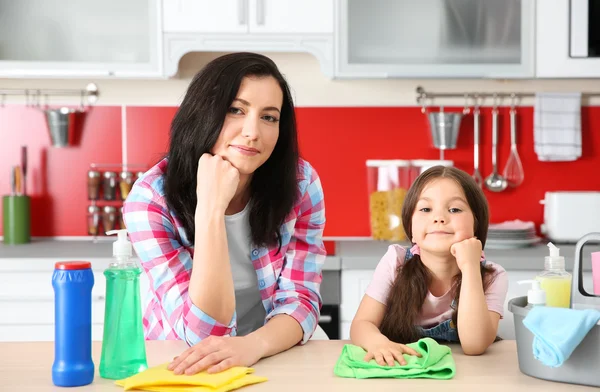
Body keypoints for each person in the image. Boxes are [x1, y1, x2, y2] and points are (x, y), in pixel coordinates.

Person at [123, 52, 326, 375]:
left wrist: (253, 345)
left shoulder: (300, 183)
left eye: (269, 117)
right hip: (181, 357)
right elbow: (203, 334)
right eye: (236, 110)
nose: (252, 132)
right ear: (203, 112)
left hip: (272, 348)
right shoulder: (150, 200)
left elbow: (300, 300)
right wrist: (211, 209)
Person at [350, 166, 508, 366]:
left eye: (454, 209)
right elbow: (362, 324)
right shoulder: (396, 261)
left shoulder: (492, 276)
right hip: (401, 368)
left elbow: (474, 346)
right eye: (425, 209)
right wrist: (378, 343)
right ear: (411, 229)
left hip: (466, 373)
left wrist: (469, 267)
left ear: (477, 224)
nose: (439, 218)